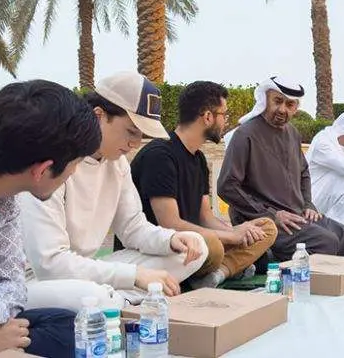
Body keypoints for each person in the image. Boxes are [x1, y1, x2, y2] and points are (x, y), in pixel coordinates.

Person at [18, 71, 207, 311]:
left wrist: (169, 240)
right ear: (99, 116)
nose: (135, 144)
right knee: (92, 296)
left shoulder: (117, 164)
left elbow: (133, 228)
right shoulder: (53, 163)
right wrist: (133, 276)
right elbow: (49, 265)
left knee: (195, 248)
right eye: (131, 131)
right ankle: (118, 299)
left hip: (87, 267)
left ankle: (118, 300)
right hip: (35, 280)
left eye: (141, 135)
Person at [0, 80, 102, 356]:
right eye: (74, 165)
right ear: (43, 170)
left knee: (69, 326)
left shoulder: (5, 200)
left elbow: (12, 283)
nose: (73, 174)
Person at [130, 81, 277, 289]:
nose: (226, 121)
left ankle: (217, 273)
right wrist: (231, 237)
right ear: (208, 117)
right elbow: (169, 224)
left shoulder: (198, 159)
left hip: (198, 240)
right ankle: (228, 267)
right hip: (168, 246)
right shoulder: (160, 156)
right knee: (214, 246)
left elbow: (205, 217)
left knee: (266, 227)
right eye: (224, 115)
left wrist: (237, 230)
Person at [218, 76, 344, 261]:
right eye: (277, 101)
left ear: (295, 108)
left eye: (289, 105)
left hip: (296, 215)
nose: (282, 109)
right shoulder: (245, 134)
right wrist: (272, 215)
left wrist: (307, 204)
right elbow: (227, 186)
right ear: (265, 99)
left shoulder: (292, 133)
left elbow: (304, 173)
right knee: (325, 242)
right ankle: (266, 256)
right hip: (262, 219)